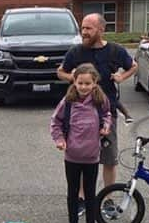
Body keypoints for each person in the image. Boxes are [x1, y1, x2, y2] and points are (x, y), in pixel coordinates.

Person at [57, 14, 138, 206]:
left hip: (106, 113)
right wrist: (74, 79)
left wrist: (122, 77)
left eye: (88, 29)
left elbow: (133, 66)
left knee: (109, 159)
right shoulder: (76, 52)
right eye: (83, 28)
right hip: (80, 114)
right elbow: (60, 71)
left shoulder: (115, 51)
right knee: (83, 158)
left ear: (101, 30)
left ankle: (108, 198)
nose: (84, 32)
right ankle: (83, 198)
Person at [49, 63, 112, 223]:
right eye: (80, 83)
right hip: (72, 155)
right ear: (74, 82)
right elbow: (56, 122)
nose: (84, 87)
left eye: (87, 84)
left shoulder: (100, 100)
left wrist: (106, 126)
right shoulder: (68, 102)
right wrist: (59, 140)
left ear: (95, 83)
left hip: (92, 155)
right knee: (73, 191)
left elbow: (107, 114)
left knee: (91, 192)